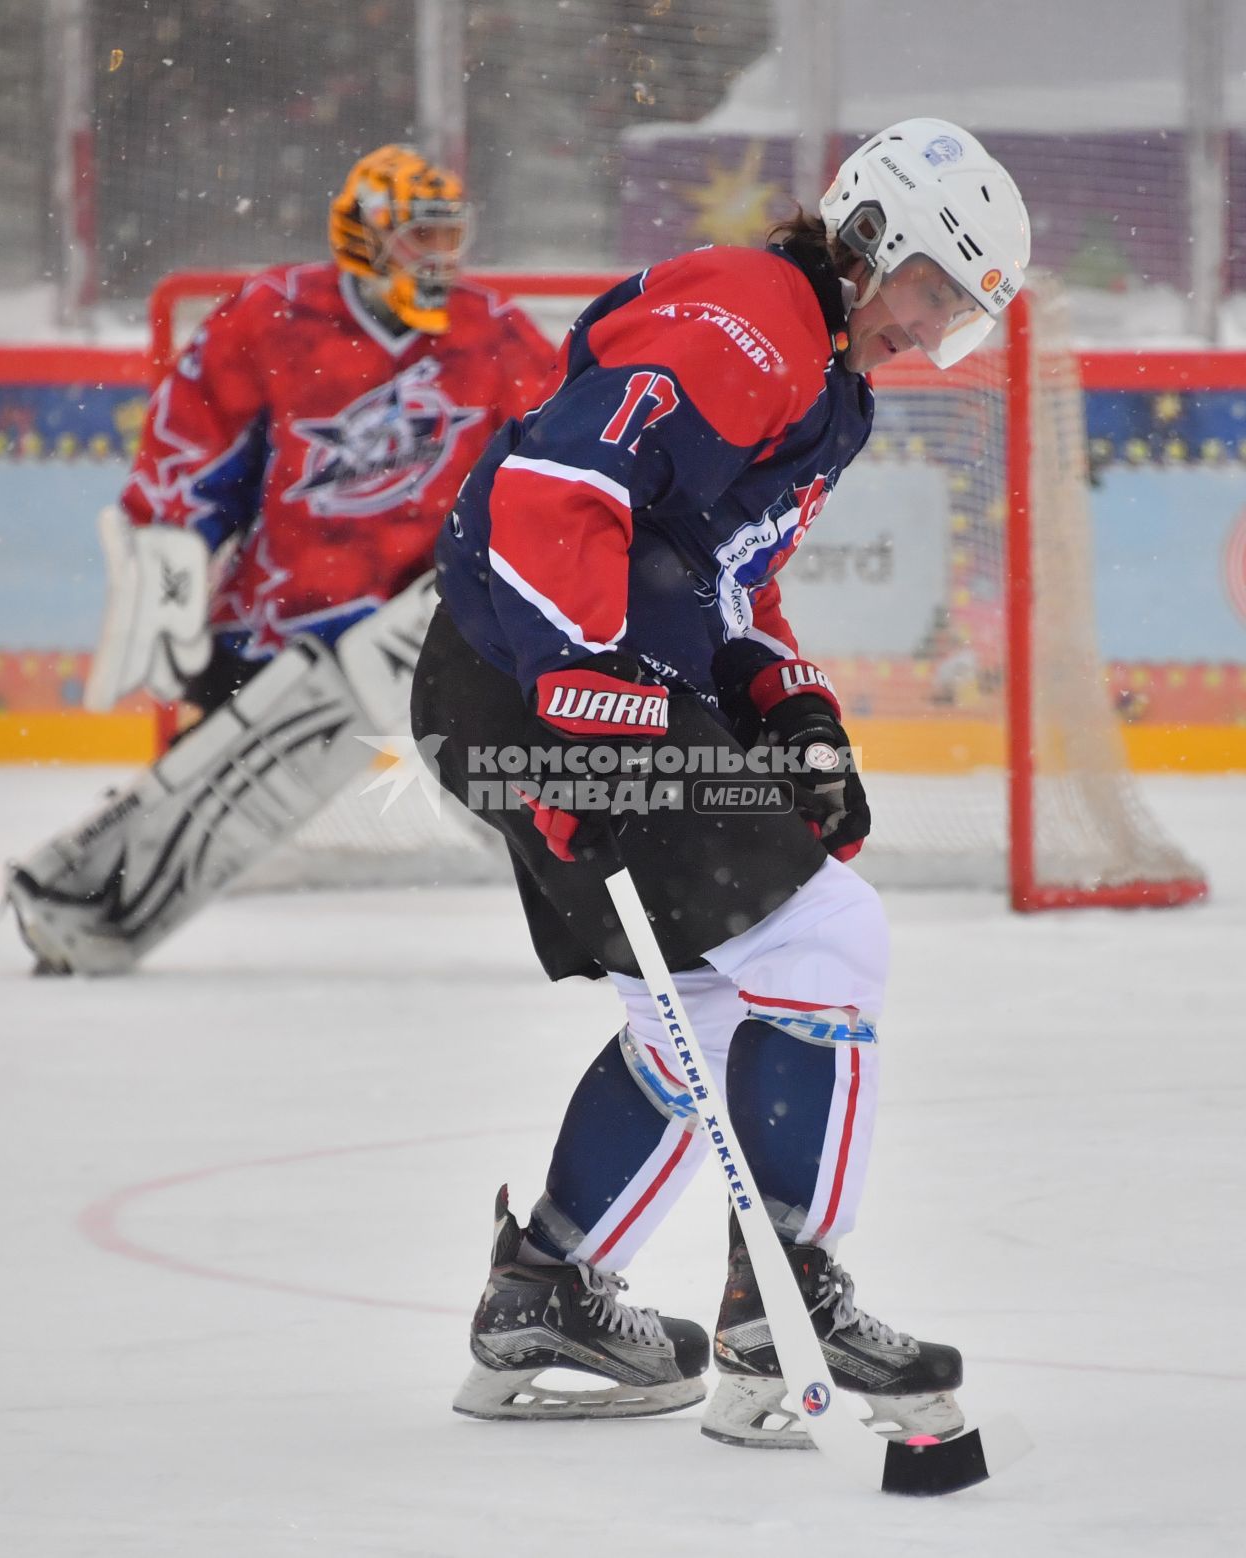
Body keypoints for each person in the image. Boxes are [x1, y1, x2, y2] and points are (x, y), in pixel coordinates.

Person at [411, 119, 1030, 1443]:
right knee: (827, 939)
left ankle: (548, 1284)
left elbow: (721, 575)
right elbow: (553, 488)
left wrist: (785, 701)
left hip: (540, 679)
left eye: (959, 313)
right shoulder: (759, 316)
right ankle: (780, 1314)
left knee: (688, 998)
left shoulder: (827, 381)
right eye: (933, 289)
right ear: (868, 244)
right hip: (539, 670)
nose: (931, 331)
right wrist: (578, 706)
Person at [5, 145, 554, 975]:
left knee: (522, 787)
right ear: (366, 239)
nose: (439, 259)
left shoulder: (495, 336)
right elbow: (188, 456)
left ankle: (633, 905)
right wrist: (170, 568)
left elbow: (552, 466)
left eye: (449, 238)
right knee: (213, 790)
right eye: (418, 239)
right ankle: (83, 907)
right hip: (280, 627)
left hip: (424, 623)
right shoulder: (273, 317)